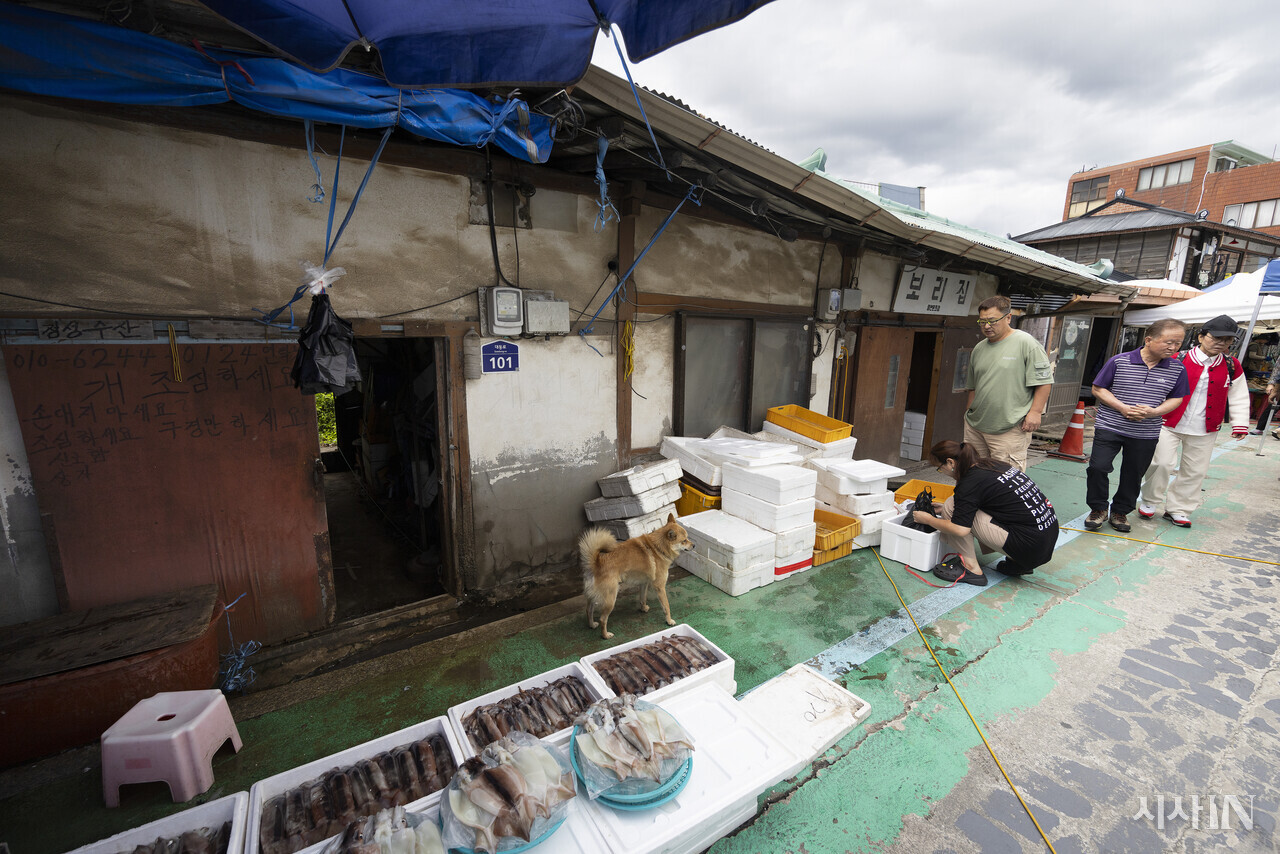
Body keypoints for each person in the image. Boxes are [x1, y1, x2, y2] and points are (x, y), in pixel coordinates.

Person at [1138, 315, 1250, 528]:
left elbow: (1239, 395)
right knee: (1161, 463)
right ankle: (1150, 501)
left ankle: (1178, 509)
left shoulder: (1231, 365)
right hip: (1168, 422)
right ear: (1201, 336)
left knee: (1195, 470)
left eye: (1227, 340)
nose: (1221, 343)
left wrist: (1240, 423)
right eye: (1216, 338)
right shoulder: (1177, 359)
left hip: (1205, 426)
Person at [1084, 318, 1190, 533]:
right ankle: (1098, 509)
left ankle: (1120, 512)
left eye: (1178, 343)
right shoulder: (1119, 361)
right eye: (1168, 342)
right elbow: (1098, 389)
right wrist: (1122, 407)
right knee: (1098, 467)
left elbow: (1177, 398)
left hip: (1146, 432)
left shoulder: (1177, 368)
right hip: (1110, 425)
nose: (1173, 347)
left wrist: (1154, 412)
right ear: (1149, 339)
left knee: (1133, 473)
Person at [911, 440, 1060, 586]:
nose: (941, 472)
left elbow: (960, 529)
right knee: (952, 506)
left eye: (939, 468)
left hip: (1028, 547)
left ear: (950, 463)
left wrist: (928, 519)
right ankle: (1017, 563)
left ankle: (971, 569)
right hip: (1044, 542)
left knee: (952, 505)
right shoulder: (993, 465)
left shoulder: (970, 482)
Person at [963, 295, 1054, 472]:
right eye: (982, 322)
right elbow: (972, 386)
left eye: (992, 321)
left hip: (1010, 426)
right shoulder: (979, 348)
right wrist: (967, 414)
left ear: (1008, 318)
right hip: (976, 425)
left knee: (1005, 477)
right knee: (973, 473)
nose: (987, 326)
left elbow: (1044, 382)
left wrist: (1035, 412)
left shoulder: (1026, 343)